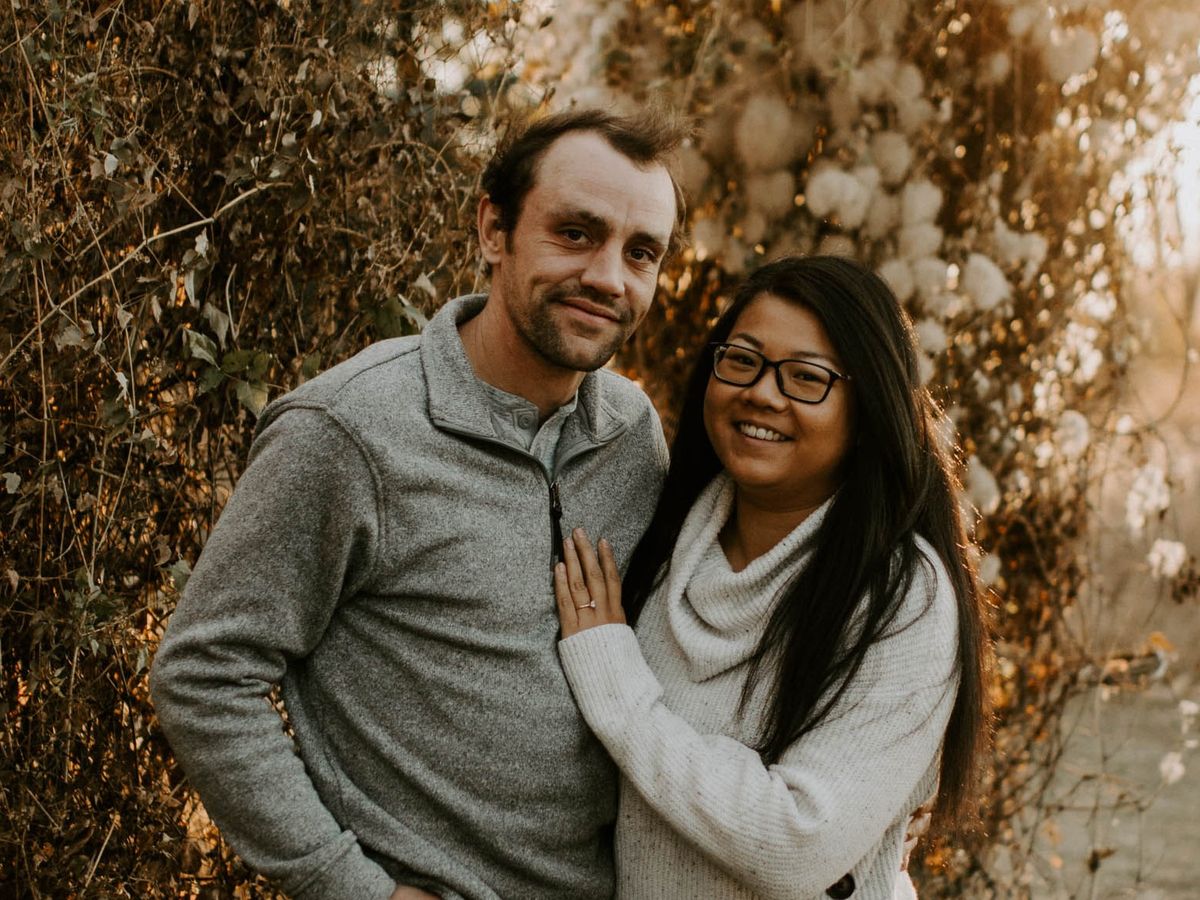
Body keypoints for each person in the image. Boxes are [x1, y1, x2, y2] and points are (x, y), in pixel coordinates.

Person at [149, 107, 687, 900]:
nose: (610, 278)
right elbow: (204, 672)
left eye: (641, 252)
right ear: (494, 230)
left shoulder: (632, 436)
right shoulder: (349, 430)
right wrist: (349, 886)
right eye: (576, 233)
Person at [554, 256, 991, 899]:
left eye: (806, 377)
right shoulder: (662, 537)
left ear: (868, 406)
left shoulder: (899, 596)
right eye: (742, 360)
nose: (762, 392)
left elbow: (795, 844)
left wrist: (618, 690)